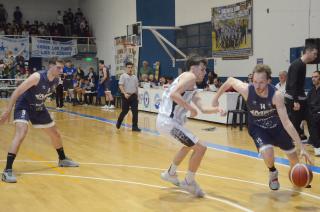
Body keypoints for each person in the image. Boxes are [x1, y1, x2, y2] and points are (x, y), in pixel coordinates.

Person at [212, 64, 311, 190]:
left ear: (269, 81)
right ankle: (273, 172)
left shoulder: (277, 95)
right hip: (257, 127)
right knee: (268, 154)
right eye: (255, 82)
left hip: (277, 127)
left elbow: (286, 122)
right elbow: (230, 80)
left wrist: (301, 146)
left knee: (294, 161)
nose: (257, 86)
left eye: (261, 82)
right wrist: (216, 98)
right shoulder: (247, 90)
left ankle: (296, 180)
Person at [0, 58, 79, 183]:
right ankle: (7, 170)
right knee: (21, 133)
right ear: (51, 67)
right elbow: (17, 91)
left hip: (39, 107)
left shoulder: (57, 80)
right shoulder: (37, 77)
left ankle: (62, 159)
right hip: (24, 105)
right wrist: (8, 110)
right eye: (58, 67)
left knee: (55, 134)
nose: (61, 70)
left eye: (62, 68)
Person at [157, 55, 224, 197]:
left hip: (167, 123)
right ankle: (189, 181)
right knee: (201, 147)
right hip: (168, 122)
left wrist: (217, 109)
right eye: (202, 69)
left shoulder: (192, 86)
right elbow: (174, 95)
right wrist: (191, 109)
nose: (204, 73)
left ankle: (170, 173)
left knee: (189, 145)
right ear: (193, 68)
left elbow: (204, 109)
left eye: (205, 70)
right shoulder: (189, 76)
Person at [285, 45, 318, 141]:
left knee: (310, 120)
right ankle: (288, 142)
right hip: (295, 100)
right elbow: (293, 84)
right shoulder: (297, 65)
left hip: (300, 99)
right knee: (295, 123)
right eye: (314, 54)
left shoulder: (302, 64)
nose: (316, 56)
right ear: (308, 52)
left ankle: (316, 145)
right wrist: (295, 100)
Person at [116, 62, 141, 132]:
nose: (130, 69)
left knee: (135, 111)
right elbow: (120, 85)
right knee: (125, 111)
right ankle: (119, 122)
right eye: (128, 67)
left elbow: (136, 88)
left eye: (131, 67)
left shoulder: (135, 77)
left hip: (133, 96)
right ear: (126, 68)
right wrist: (124, 93)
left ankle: (135, 127)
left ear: (133, 68)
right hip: (125, 96)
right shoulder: (123, 76)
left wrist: (138, 96)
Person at [306, 71, 320, 156]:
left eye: (316, 77)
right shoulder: (311, 91)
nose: (313, 79)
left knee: (314, 118)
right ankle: (314, 141)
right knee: (309, 117)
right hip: (313, 113)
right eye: (312, 77)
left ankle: (317, 145)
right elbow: (307, 103)